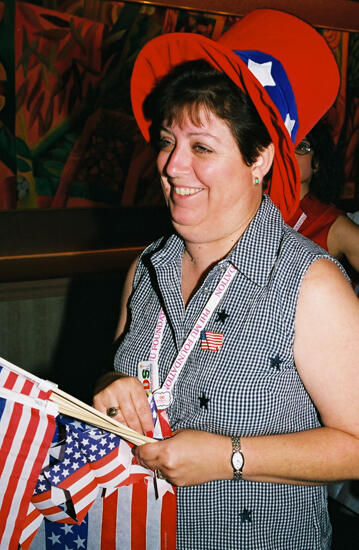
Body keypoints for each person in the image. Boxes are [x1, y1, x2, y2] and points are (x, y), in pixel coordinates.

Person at [93, 9, 359, 549]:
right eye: (168, 141)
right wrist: (108, 386)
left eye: (202, 148)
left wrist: (231, 456)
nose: (170, 166)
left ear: (259, 158)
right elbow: (117, 370)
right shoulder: (145, 268)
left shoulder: (311, 285)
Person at [287, 120, 359, 273]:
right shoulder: (253, 204)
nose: (290, 154)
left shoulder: (331, 223)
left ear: (317, 162)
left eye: (301, 147)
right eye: (286, 146)